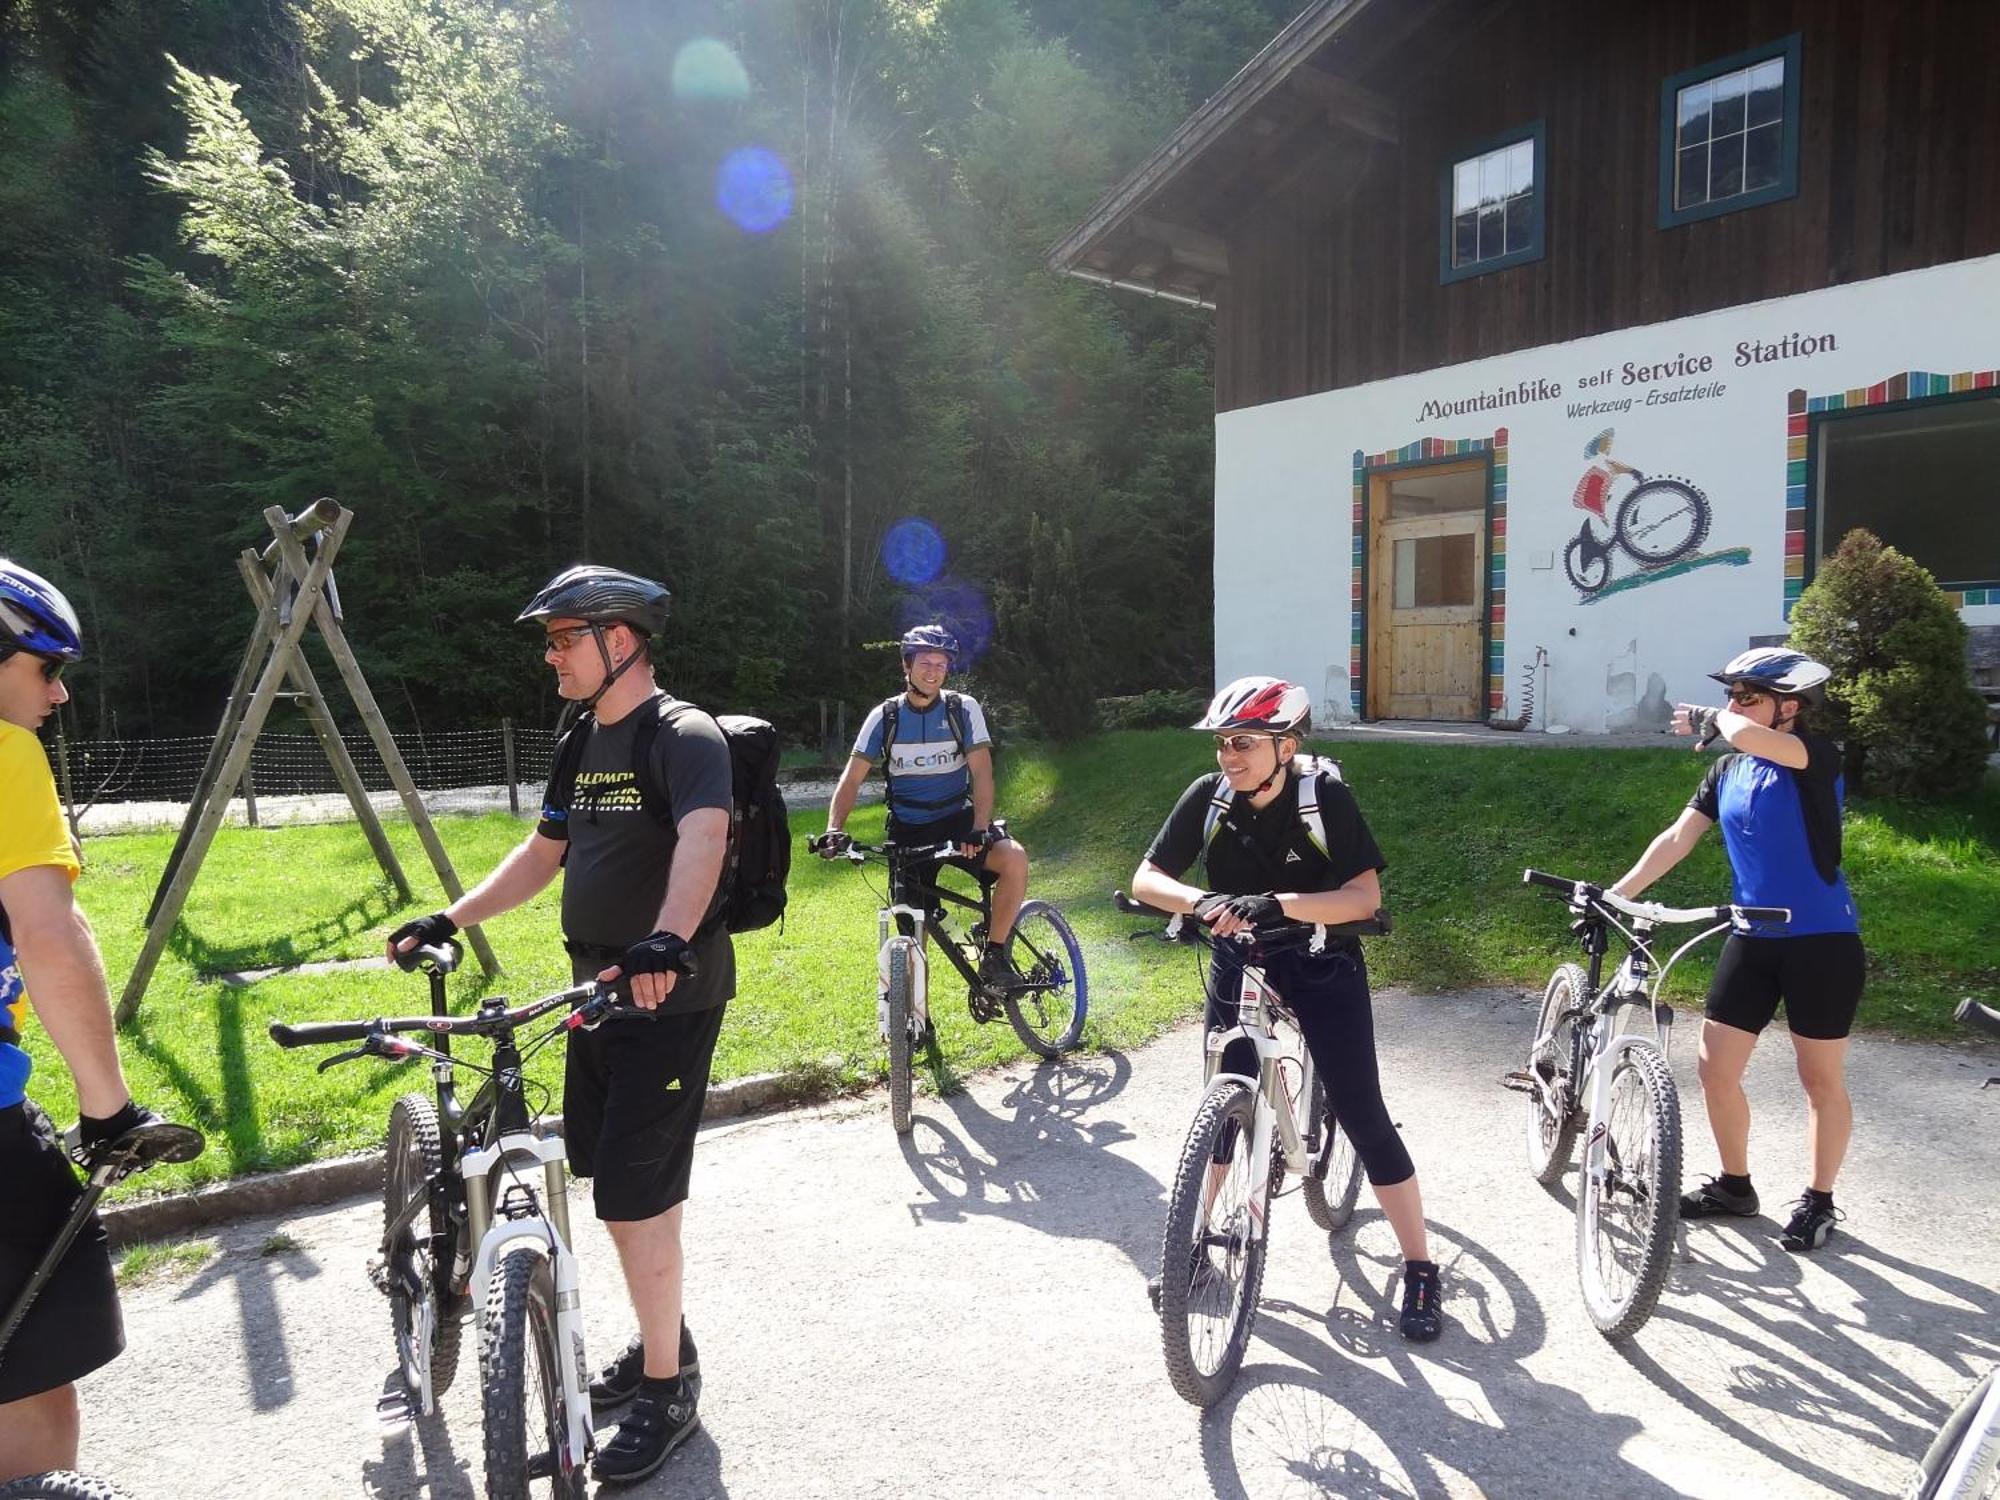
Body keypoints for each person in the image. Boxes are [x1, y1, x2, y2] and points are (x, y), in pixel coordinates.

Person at [386, 564, 729, 1484]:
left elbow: (704, 841)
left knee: (633, 1194)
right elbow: (546, 852)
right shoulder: (582, 736)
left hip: (667, 995)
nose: (552, 656)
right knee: (614, 1175)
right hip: (596, 995)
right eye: (550, 639)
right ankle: (670, 1342)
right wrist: (451, 918)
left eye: (565, 637)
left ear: (622, 640)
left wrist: (666, 941)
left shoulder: (683, 734)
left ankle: (669, 1388)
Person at [1128, 676, 1443, 1342]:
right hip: (1240, 964)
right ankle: (1200, 1241)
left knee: (1363, 1113)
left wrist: (1282, 904)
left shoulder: (1321, 796)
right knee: (1224, 1105)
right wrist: (1199, 904)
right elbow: (1146, 878)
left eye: (1243, 743)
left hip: (1323, 961)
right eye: (1222, 744)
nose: (1229, 757)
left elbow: (1363, 899)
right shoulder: (1211, 797)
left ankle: (1419, 1263)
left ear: (1287, 745)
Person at [1610, 647, 1862, 1253]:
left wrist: (1717, 720)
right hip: (1752, 938)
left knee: (1818, 1078)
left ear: (1791, 707)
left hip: (1821, 941)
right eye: (1731, 696)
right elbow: (1676, 839)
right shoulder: (1727, 771)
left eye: (1746, 695)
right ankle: (1735, 1187)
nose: (1732, 706)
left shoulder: (1814, 757)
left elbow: (1748, 735)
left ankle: (1820, 1199)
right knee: (1714, 1070)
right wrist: (1617, 895)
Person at [0, 559, 157, 1483]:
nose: (59, 693)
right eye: (45, 668)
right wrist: (110, 1110)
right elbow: (49, 933)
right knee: (32, 1382)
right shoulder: (5, 753)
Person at [819, 624, 1031, 1011]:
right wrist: (834, 829)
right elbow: (851, 780)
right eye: (925, 663)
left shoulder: (961, 709)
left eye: (941, 664)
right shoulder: (884, 717)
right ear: (906, 666)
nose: (934, 671)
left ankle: (996, 954)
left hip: (958, 823)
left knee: (1013, 858)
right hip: (908, 833)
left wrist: (980, 829)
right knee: (913, 936)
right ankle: (917, 1022)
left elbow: (982, 774)